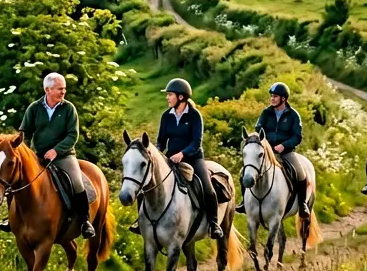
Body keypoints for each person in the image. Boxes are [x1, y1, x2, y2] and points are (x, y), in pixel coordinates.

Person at [0, 72, 95, 239]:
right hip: (39, 156)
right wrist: (21, 153)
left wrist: (56, 150)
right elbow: (23, 134)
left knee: (77, 182)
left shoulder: (68, 108)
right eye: (60, 89)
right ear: (47, 90)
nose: (63, 92)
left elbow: (73, 135)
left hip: (64, 156)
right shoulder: (34, 109)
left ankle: (85, 221)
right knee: (15, 180)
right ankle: (11, 218)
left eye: (64, 89)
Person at [131, 78, 223, 240]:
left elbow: (196, 142)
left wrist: (182, 154)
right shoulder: (166, 116)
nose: (167, 98)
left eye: (170, 95)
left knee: (208, 189)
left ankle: (214, 224)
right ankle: (141, 221)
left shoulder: (195, 116)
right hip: (170, 159)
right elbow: (161, 140)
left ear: (181, 97)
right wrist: (157, 154)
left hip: (193, 158)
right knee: (145, 186)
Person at [236, 82, 306, 214]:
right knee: (243, 172)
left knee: (300, 173)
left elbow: (297, 137)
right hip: (266, 152)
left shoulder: (293, 115)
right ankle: (244, 203)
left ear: (283, 99)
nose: (272, 99)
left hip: (285, 152)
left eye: (275, 96)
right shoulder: (266, 113)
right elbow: (258, 131)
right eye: (271, 96)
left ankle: (302, 205)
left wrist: (284, 145)